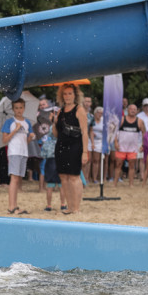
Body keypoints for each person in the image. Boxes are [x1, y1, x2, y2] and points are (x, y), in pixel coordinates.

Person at [52, 83, 89, 213]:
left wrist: (85, 152)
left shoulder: (79, 110)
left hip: (75, 147)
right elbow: (56, 134)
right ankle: (69, 207)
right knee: (63, 177)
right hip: (61, 146)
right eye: (65, 93)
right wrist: (54, 122)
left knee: (74, 176)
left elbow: (85, 132)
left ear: (75, 95)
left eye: (70, 93)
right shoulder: (60, 111)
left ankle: (76, 208)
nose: (67, 96)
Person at [1, 98, 34, 214]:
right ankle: (11, 207)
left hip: (23, 152)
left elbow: (27, 141)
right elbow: (4, 140)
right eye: (16, 108)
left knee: (18, 180)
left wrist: (30, 137)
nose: (19, 110)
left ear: (24, 108)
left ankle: (15, 205)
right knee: (14, 179)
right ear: (13, 109)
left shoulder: (28, 122)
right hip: (14, 152)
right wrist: (15, 130)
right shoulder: (9, 122)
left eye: (21, 108)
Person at [113, 103, 143, 187]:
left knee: (132, 166)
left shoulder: (139, 121)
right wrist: (115, 142)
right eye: (131, 109)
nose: (133, 110)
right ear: (127, 110)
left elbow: (144, 133)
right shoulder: (122, 119)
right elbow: (114, 131)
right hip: (121, 147)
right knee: (118, 165)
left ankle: (131, 184)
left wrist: (143, 145)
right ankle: (115, 183)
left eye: (134, 109)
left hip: (132, 148)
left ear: (136, 111)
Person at [34, 97, 57, 191]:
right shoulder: (36, 116)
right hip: (42, 143)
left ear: (48, 104)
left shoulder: (54, 114)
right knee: (43, 166)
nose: (42, 106)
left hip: (53, 143)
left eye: (44, 104)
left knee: (53, 165)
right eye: (40, 105)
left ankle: (53, 186)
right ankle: (41, 187)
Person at [88, 105, 105, 183]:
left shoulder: (103, 120)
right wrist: (91, 135)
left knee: (96, 160)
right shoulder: (91, 120)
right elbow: (89, 130)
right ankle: (87, 178)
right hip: (90, 140)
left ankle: (95, 178)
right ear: (95, 113)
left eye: (101, 113)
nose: (100, 114)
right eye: (98, 113)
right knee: (89, 160)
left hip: (99, 141)